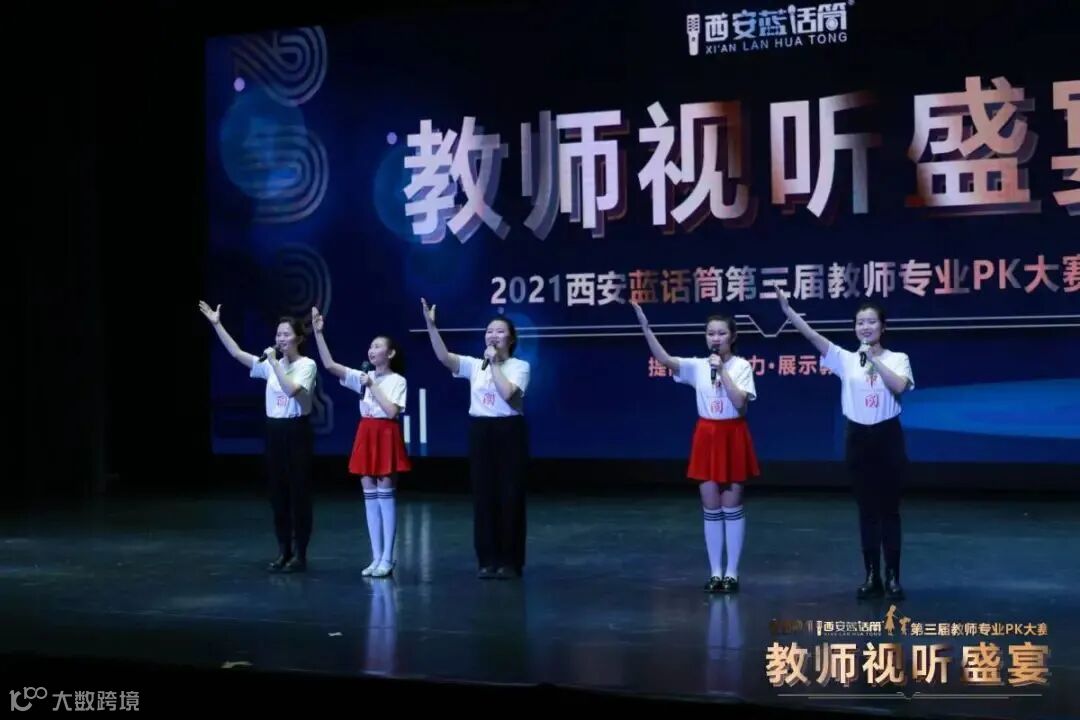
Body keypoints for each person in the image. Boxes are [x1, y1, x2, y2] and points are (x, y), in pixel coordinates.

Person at [777, 292, 913, 600]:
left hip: (887, 436)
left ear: (882, 326)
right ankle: (871, 575)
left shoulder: (898, 358)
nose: (865, 327)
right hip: (858, 438)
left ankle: (893, 577)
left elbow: (900, 386)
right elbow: (812, 336)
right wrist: (788, 311)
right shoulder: (846, 359)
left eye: (871, 322)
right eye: (860, 323)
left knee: (889, 510)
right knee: (866, 510)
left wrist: (874, 361)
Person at [631, 302, 760, 594]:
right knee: (711, 506)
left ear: (732, 336)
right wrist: (646, 327)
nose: (715, 338)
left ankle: (732, 573)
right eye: (710, 333)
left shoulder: (741, 366)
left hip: (733, 434)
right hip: (707, 435)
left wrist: (722, 371)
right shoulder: (697, 366)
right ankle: (715, 572)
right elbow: (664, 359)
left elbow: (740, 402)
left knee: (732, 506)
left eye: (721, 333)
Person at [198, 301, 318, 572]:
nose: (280, 339)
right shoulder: (270, 364)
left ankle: (300, 554)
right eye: (278, 334)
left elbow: (291, 391)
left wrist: (274, 362)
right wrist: (217, 324)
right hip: (274, 430)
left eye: (286, 334)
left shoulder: (306, 365)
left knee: (299, 494)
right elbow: (236, 353)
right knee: (278, 494)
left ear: (298, 338)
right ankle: (283, 551)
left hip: (296, 430)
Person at [421, 298, 530, 580]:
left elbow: (508, 393)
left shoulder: (519, 366)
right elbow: (444, 358)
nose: (493, 335)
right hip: (481, 431)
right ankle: (487, 559)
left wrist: (493, 364)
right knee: (484, 495)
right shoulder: (472, 365)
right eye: (489, 331)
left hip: (509, 431)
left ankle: (510, 561)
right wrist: (431, 326)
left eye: (499, 331)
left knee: (510, 495)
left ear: (511, 339)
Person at [311, 307, 410, 578]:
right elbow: (330, 366)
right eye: (370, 346)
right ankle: (376, 557)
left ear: (390, 353)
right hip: (366, 431)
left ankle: (388, 558)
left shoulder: (397, 381)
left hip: (385, 432)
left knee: (386, 493)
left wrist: (372, 385)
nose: (371, 350)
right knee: (369, 495)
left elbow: (392, 411)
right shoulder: (362, 376)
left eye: (377, 346)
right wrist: (319, 333)